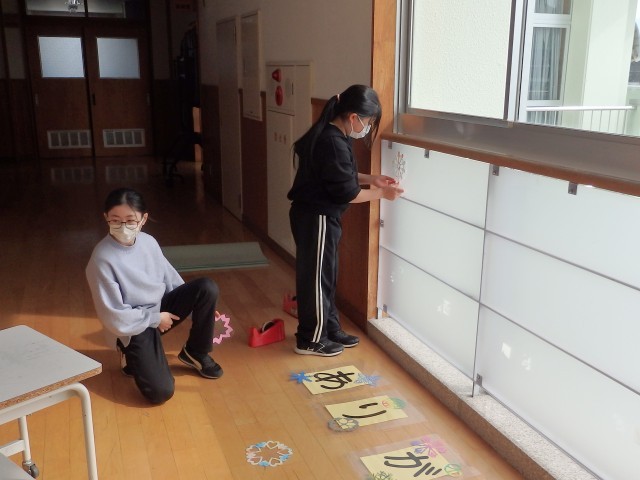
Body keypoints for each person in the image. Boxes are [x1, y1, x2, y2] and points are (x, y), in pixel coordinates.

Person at [288, 84, 404, 357]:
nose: (367, 127)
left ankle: (329, 328)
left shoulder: (335, 135)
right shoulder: (332, 141)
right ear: (353, 117)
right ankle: (310, 339)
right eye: (368, 122)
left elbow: (340, 174)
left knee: (326, 276)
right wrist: (382, 194)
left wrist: (372, 179)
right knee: (317, 279)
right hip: (316, 217)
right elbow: (348, 193)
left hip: (319, 217)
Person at [86, 188, 222, 404]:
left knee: (207, 288)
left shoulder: (148, 242)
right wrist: (155, 319)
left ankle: (196, 352)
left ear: (143, 219)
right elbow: (113, 315)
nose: (123, 226)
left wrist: (199, 306)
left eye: (130, 220)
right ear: (106, 218)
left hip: (158, 311)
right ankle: (127, 350)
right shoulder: (101, 258)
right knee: (161, 392)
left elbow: (169, 278)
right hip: (132, 325)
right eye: (115, 220)